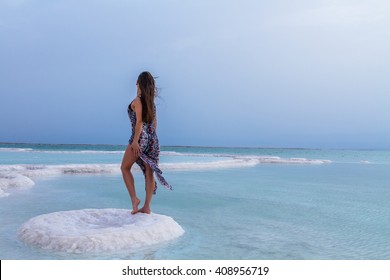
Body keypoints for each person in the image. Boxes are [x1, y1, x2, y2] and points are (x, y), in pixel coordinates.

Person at [121, 71, 172, 214]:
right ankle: (147, 206)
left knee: (125, 168)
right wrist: (150, 140)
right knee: (149, 172)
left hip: (140, 138)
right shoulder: (151, 103)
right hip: (153, 139)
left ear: (137, 81)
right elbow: (154, 124)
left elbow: (139, 123)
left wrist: (136, 142)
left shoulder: (137, 101)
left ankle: (134, 199)